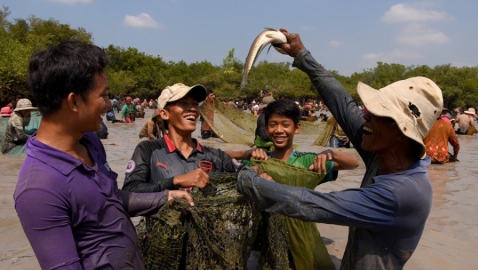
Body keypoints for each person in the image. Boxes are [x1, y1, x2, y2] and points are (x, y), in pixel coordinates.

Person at [237, 29, 444, 269]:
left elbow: (310, 205)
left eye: (376, 113)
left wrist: (247, 179)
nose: (365, 115)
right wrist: (301, 56)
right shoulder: (384, 154)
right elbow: (344, 105)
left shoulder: (402, 194)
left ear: (400, 131)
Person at [14, 40, 194, 270]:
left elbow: (109, 200)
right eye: (104, 95)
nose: (110, 104)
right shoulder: (39, 189)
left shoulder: (89, 140)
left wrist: (165, 197)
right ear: (74, 101)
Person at [227, 99, 359, 270]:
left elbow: (353, 164)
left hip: (302, 237)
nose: (279, 130)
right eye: (273, 125)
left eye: (285, 125)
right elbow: (215, 157)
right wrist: (246, 153)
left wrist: (331, 153)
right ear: (266, 129)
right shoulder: (259, 161)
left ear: (297, 128)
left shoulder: (307, 162)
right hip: (265, 238)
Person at [122, 83, 239, 193]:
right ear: (164, 114)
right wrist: (175, 181)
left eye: (195, 104)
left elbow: (244, 174)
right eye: (183, 103)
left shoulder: (215, 156)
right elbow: (129, 192)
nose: (192, 109)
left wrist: (253, 171)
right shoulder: (148, 150)